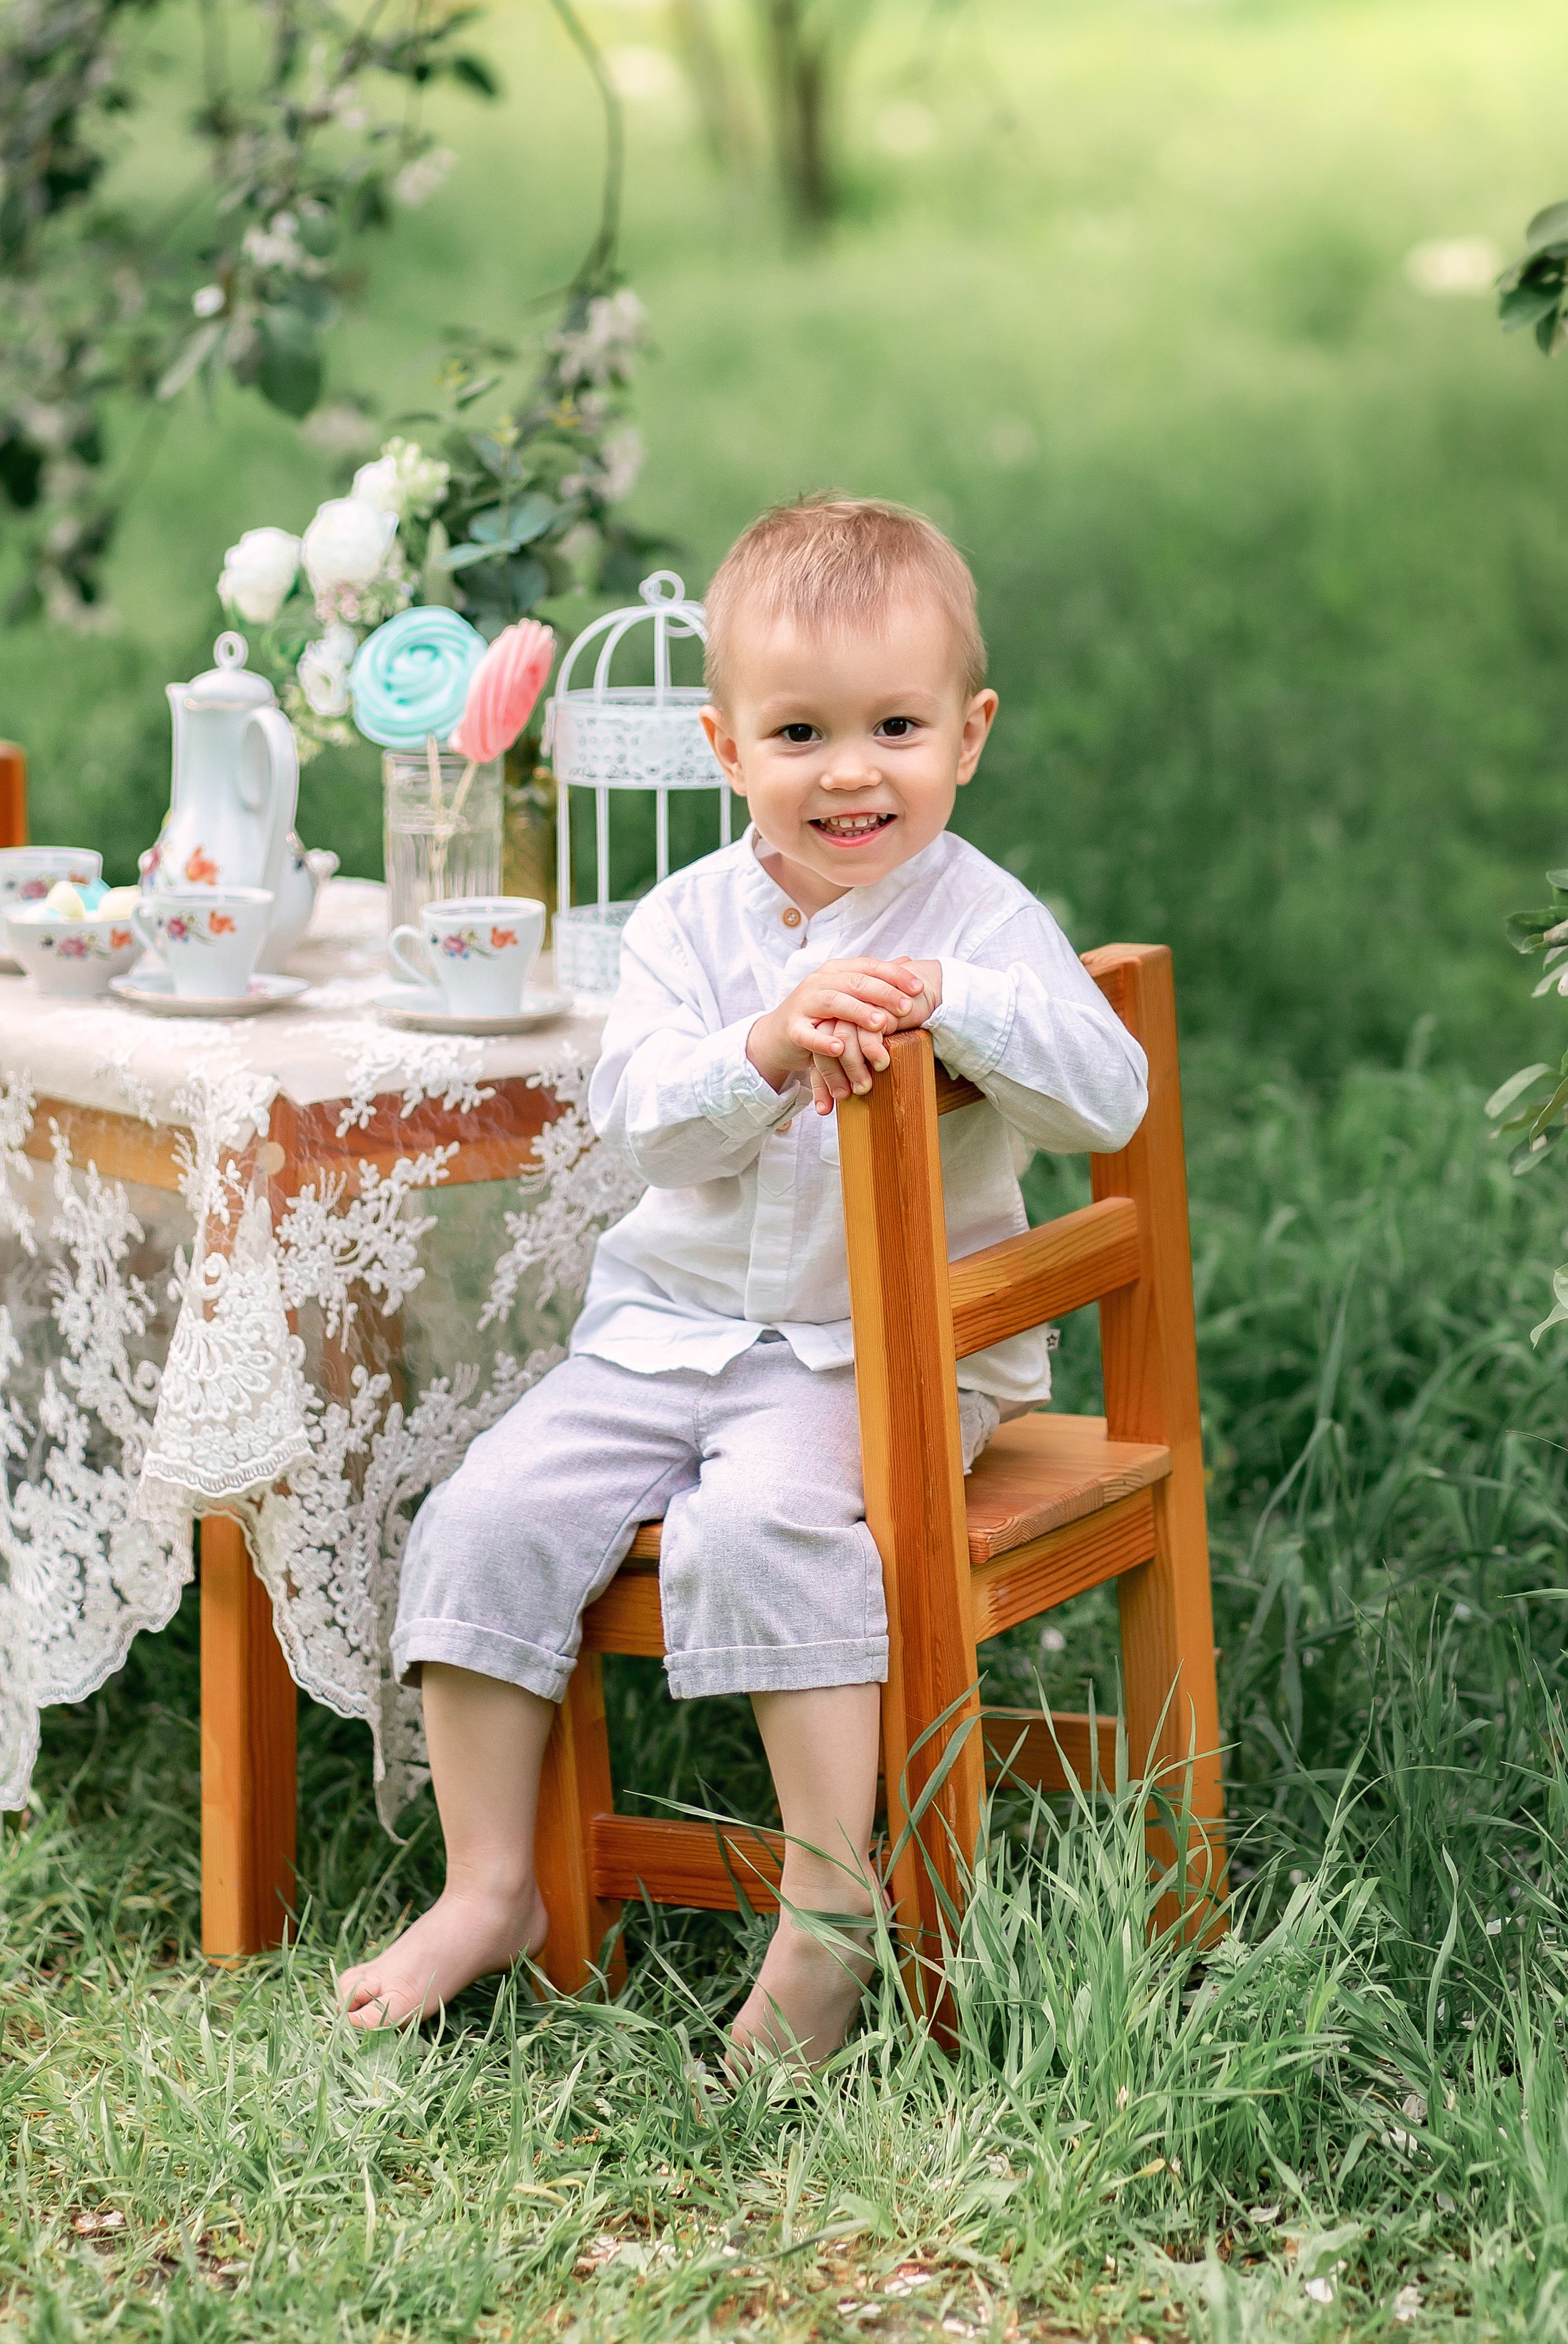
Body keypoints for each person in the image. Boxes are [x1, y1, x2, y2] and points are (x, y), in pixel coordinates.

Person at [337, 494, 1148, 2057]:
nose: (850, 770)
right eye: (799, 733)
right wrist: (765, 1045)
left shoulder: (979, 918)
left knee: (761, 1520)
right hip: (663, 1332)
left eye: (895, 726)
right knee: (484, 1513)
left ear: (966, 736)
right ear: (725, 749)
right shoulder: (680, 927)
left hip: (880, 1352)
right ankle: (487, 1882)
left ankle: (830, 1911)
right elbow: (639, 1123)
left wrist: (952, 1004)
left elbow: (1103, 1093)